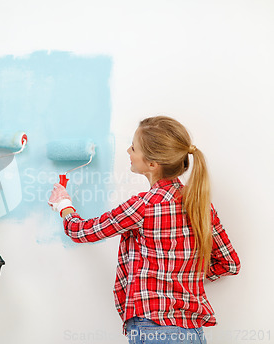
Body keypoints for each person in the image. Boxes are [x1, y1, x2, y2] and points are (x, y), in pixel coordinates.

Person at [48, 116, 240, 344]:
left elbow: (81, 231)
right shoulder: (200, 204)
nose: (128, 151)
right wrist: (186, 275)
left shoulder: (144, 206)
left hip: (154, 329)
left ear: (152, 164)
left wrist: (64, 205)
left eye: (134, 147)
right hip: (192, 333)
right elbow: (229, 264)